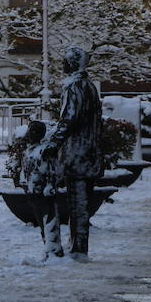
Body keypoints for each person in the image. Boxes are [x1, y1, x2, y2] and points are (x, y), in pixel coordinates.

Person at [44, 47, 103, 260]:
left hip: (76, 153)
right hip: (91, 152)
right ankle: (79, 246)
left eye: (66, 61)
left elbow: (68, 119)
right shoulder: (90, 86)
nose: (63, 64)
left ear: (73, 63)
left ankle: (78, 249)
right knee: (83, 204)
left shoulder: (74, 86)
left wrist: (52, 143)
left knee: (77, 204)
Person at [17, 120, 64, 258]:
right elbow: (24, 170)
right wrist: (24, 183)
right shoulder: (28, 151)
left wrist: (50, 186)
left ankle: (54, 249)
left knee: (49, 220)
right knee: (41, 221)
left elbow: (53, 170)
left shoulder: (45, 150)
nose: (33, 134)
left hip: (44, 191)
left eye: (36, 132)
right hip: (33, 191)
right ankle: (48, 246)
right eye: (31, 131)